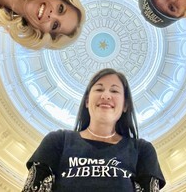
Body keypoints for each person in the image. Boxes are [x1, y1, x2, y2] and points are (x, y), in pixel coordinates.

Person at [22, 68, 166, 191]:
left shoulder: (142, 150)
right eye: (99, 89)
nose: (106, 95)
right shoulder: (58, 140)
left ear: (125, 106)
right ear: (86, 101)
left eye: (114, 91)